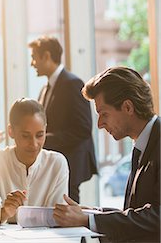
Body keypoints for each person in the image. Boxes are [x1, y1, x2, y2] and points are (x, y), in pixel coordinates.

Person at [53, 66, 160, 242]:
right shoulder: (143, 145)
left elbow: (157, 217)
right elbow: (136, 215)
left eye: (104, 114)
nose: (100, 124)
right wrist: (90, 214)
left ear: (127, 107)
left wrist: (89, 220)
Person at [29, 36, 97, 203]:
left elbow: (83, 129)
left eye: (34, 57)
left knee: (68, 212)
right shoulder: (45, 88)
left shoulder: (72, 84)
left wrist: (43, 140)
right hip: (56, 162)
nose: (32, 63)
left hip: (71, 163)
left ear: (46, 56)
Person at [0, 98, 69, 223]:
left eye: (39, 135)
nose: (33, 144)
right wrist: (5, 212)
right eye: (25, 136)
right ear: (11, 131)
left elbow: (57, 219)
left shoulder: (56, 163)